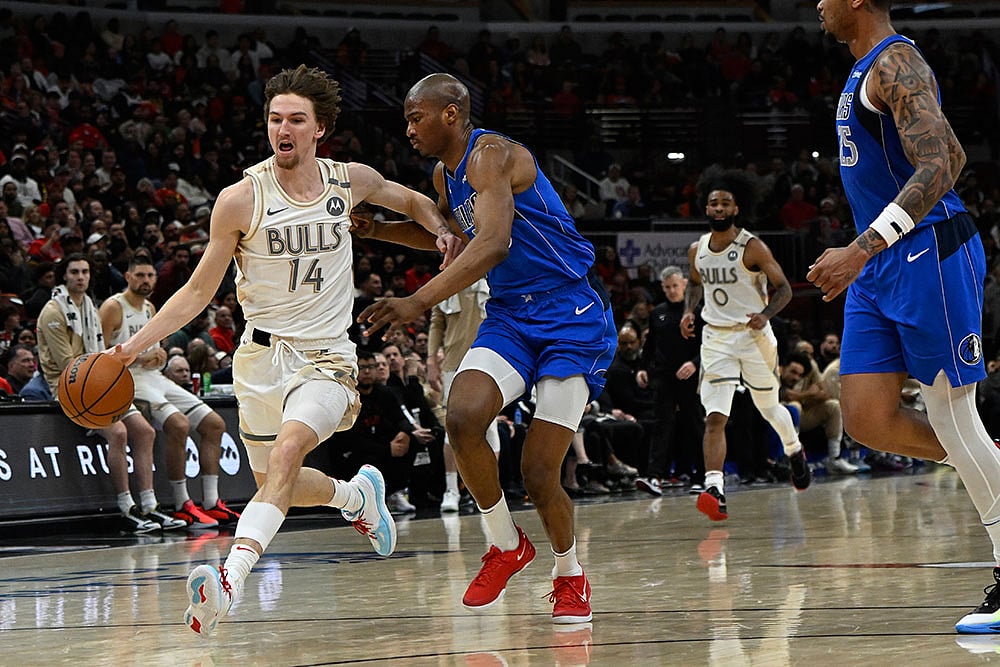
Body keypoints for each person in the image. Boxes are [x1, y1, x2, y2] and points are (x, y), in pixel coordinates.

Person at [109, 65, 462, 638]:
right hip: (259, 361)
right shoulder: (239, 199)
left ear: (320, 128)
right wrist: (132, 346)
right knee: (283, 482)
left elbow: (416, 201)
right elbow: (199, 290)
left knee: (288, 452)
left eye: (297, 119)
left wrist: (440, 230)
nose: (284, 128)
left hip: (326, 358)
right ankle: (355, 496)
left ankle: (229, 582)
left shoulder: (349, 181)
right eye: (276, 118)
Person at [359, 73, 617, 624]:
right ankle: (505, 545)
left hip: (571, 312)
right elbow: (451, 235)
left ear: (451, 114)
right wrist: (377, 230)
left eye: (415, 117)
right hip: (511, 315)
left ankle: (569, 574)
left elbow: (494, 243)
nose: (407, 129)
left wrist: (416, 301)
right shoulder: (443, 173)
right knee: (463, 416)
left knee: (540, 472)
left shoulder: (492, 156)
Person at [809, 0, 1000, 634]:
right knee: (866, 416)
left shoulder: (895, 62)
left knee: (953, 413)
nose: (818, 3)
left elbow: (941, 166)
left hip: (926, 254)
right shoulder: (869, 67)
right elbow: (956, 151)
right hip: (883, 258)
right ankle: (989, 462)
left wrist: (863, 246)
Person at [681, 166, 811, 523]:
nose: (719, 208)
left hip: (753, 336)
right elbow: (694, 283)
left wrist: (766, 314)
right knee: (714, 417)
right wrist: (689, 311)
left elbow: (784, 287)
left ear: (737, 209)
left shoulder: (752, 246)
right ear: (706, 209)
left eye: (726, 203)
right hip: (716, 339)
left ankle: (793, 449)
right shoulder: (697, 250)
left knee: (769, 408)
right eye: (713, 204)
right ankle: (714, 488)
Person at [37, 254, 186, 534]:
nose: (81, 276)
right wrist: (104, 377)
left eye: (85, 271)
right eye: (74, 272)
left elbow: (95, 357)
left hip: (94, 380)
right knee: (118, 433)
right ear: (64, 276)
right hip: (69, 387)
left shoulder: (91, 308)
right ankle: (125, 507)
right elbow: (68, 365)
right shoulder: (53, 312)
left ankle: (150, 506)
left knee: (145, 432)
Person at [99, 256, 240, 530]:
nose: (146, 280)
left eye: (150, 275)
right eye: (139, 275)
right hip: (127, 379)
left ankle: (211, 501)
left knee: (215, 424)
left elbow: (156, 352)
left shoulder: (151, 307)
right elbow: (100, 358)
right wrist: (140, 359)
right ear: (127, 277)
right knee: (179, 424)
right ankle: (182, 503)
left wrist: (159, 357)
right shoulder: (113, 307)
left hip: (153, 377)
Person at [425, 278, 501, 513]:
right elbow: (436, 323)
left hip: (489, 358)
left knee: (489, 425)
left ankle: (487, 491)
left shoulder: (491, 275)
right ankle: (452, 490)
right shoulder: (446, 278)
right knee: (454, 427)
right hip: (453, 362)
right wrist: (431, 360)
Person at [635, 266, 705, 495]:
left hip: (691, 376)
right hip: (664, 376)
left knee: (693, 424)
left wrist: (694, 363)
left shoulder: (699, 311)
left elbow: (710, 345)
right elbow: (650, 345)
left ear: (684, 284)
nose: (672, 291)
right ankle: (655, 476)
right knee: (661, 424)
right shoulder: (658, 313)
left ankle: (702, 476)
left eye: (675, 286)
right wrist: (643, 368)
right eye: (667, 287)